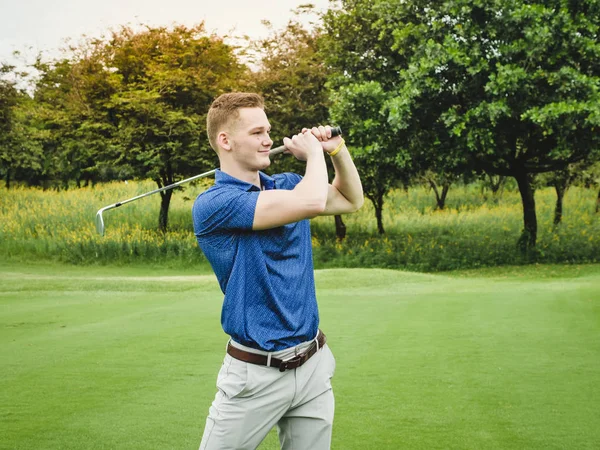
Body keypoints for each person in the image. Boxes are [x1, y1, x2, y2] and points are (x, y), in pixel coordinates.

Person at [192, 92, 363, 450]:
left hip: (313, 365)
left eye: (268, 130)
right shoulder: (215, 205)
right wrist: (314, 154)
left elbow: (351, 200)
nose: (269, 140)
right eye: (257, 132)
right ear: (225, 141)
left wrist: (336, 150)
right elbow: (312, 201)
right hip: (255, 375)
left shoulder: (285, 184)